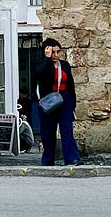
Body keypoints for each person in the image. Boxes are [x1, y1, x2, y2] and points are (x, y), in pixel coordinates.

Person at [30, 38, 80, 166]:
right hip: (48, 100)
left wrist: (72, 104)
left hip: (63, 99)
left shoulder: (65, 65)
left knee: (67, 129)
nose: (56, 55)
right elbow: (38, 74)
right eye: (53, 52)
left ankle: (71, 158)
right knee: (48, 132)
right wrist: (47, 59)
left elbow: (70, 85)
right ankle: (48, 159)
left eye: (58, 52)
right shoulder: (41, 64)